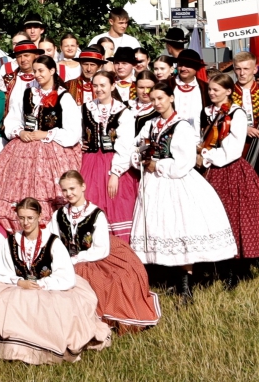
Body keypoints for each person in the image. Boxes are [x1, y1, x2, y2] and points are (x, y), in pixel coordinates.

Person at [128, 80, 236, 298]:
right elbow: (136, 147)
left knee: (180, 229)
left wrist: (156, 165)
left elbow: (183, 163)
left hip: (176, 184)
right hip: (154, 184)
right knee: (162, 229)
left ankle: (185, 286)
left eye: (161, 98)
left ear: (171, 98)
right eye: (153, 99)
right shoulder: (151, 124)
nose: (157, 103)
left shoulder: (182, 126)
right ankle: (170, 279)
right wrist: (140, 158)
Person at [0, 197, 110, 365]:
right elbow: (2, 270)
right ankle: (19, 345)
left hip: (49, 288)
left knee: (50, 309)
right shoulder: (11, 242)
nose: (25, 223)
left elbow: (66, 276)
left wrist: (43, 284)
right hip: (20, 286)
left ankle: (45, 347)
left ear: (39, 216)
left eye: (30, 218)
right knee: (6, 301)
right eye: (22, 218)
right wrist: (19, 282)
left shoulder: (53, 242)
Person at [0, 56, 81, 230]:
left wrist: (46, 134)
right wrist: (20, 132)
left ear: (52, 71)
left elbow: (73, 133)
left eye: (41, 70)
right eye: (35, 71)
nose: (37, 74)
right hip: (23, 147)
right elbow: (12, 119)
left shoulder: (64, 97)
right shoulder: (28, 92)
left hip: (53, 151)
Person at [52, 171, 160, 332]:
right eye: (65, 190)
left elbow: (101, 249)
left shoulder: (96, 214)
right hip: (68, 257)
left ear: (83, 187)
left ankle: (107, 316)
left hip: (96, 255)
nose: (69, 194)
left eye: (72, 188)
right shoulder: (58, 215)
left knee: (113, 280)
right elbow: (54, 241)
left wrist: (76, 259)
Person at [197, 72, 259, 278]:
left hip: (230, 169)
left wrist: (206, 156)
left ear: (228, 91)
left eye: (216, 90)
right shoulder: (207, 112)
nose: (211, 93)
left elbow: (232, 150)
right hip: (211, 171)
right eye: (210, 89)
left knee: (236, 217)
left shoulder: (236, 113)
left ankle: (240, 269)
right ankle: (219, 267)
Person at [78, 71, 138, 241]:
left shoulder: (123, 112)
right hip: (90, 163)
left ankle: (120, 253)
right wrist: (80, 142)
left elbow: (125, 145)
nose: (98, 89)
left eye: (103, 85)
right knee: (90, 201)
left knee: (116, 204)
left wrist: (115, 173)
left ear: (112, 86)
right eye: (95, 85)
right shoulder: (85, 108)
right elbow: (76, 132)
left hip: (115, 161)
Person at [171, 49, 210, 130]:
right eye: (180, 64)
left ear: (197, 67)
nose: (183, 68)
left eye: (188, 65)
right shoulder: (167, 85)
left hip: (196, 139)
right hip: (170, 138)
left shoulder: (206, 88)